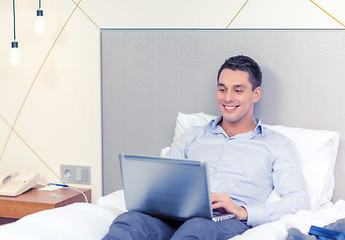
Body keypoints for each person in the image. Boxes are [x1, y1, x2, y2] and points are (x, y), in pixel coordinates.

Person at [103, 55, 310, 240]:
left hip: (225, 221)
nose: (227, 98)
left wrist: (243, 211)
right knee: (129, 221)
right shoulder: (192, 136)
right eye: (222, 89)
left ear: (255, 94)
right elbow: (165, 183)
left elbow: (299, 200)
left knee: (197, 229)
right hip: (174, 215)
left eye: (238, 90)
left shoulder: (276, 144)